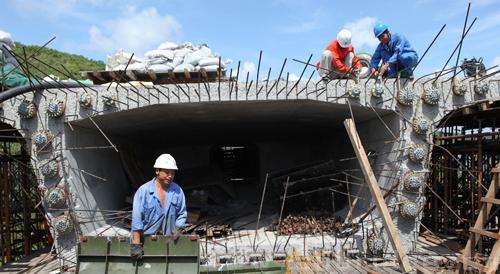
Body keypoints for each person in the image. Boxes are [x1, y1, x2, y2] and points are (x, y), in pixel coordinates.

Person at [130, 154, 187, 260]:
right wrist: (136, 244)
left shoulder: (178, 191)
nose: (170, 176)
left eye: (173, 173)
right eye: (166, 172)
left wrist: (177, 231)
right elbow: (137, 220)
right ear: (157, 171)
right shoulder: (144, 191)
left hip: (168, 242)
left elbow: (182, 214)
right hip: (147, 242)